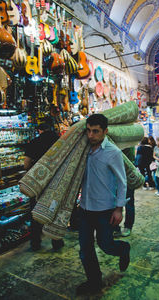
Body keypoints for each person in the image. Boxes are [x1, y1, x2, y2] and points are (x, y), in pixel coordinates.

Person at [77, 114, 130, 295]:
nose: (91, 135)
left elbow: (122, 182)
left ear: (105, 131)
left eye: (96, 131)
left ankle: (123, 249)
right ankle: (94, 281)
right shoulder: (83, 150)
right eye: (89, 131)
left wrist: (119, 209)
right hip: (84, 208)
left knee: (105, 245)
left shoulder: (113, 152)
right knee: (85, 248)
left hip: (105, 210)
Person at [24, 123, 64, 251]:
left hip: (38, 183)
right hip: (55, 181)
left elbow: (26, 164)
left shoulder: (34, 142)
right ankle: (56, 241)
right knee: (54, 210)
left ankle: (35, 242)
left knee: (35, 211)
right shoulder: (60, 141)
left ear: (40, 130)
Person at [114, 147, 136, 237]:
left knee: (128, 202)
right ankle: (116, 227)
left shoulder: (128, 145)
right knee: (116, 202)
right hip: (117, 175)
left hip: (127, 175)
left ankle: (127, 226)